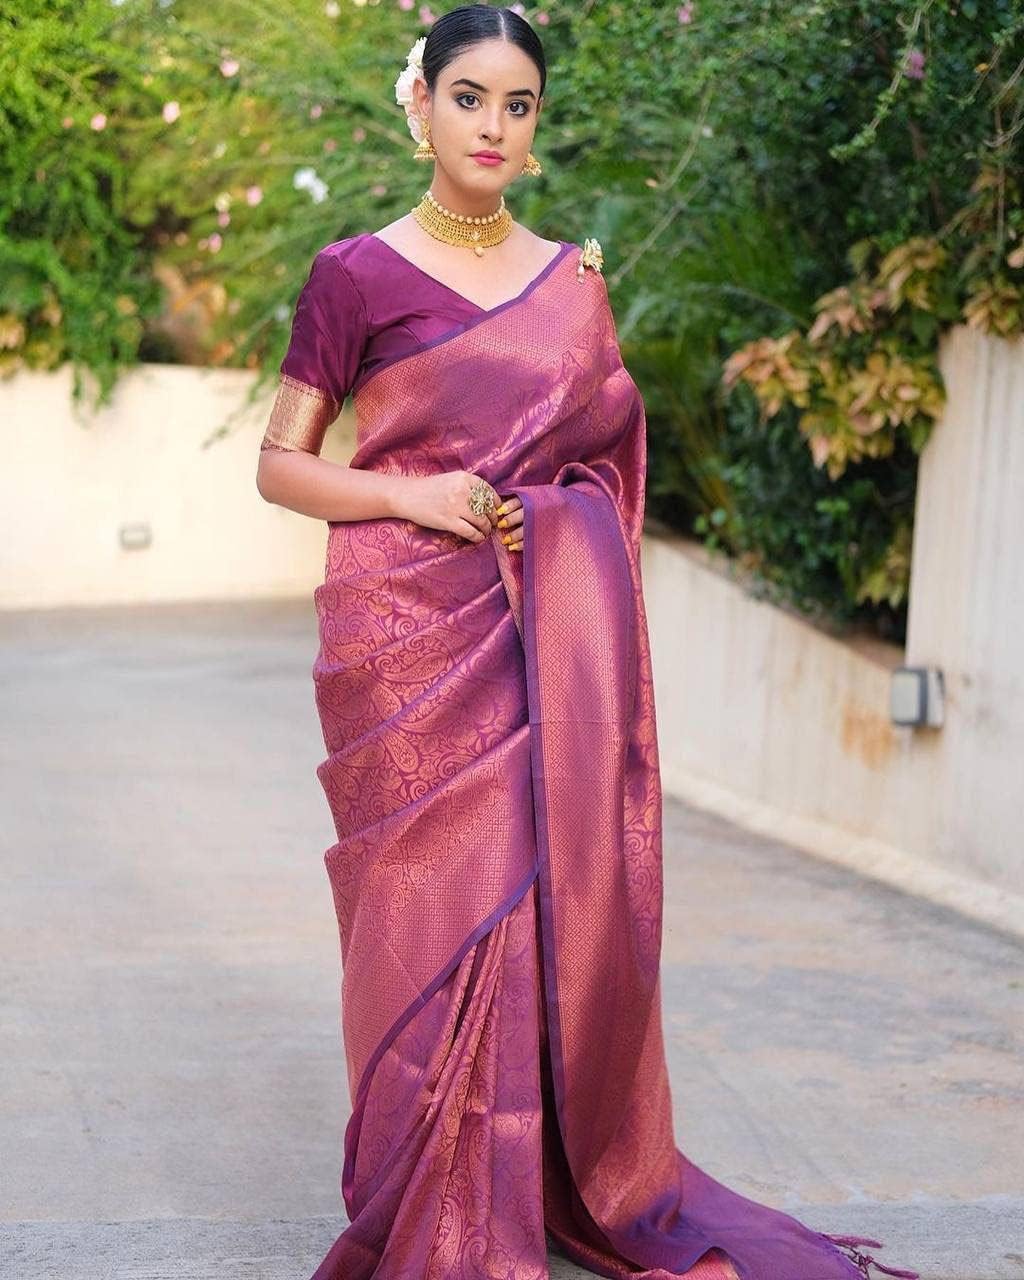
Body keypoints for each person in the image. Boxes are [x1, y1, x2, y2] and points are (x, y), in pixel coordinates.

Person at [255, 7, 920, 1280]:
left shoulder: (572, 283)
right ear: (418, 105)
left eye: (518, 105)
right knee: (429, 911)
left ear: (536, 126)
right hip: (407, 636)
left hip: (541, 632)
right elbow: (282, 465)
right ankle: (429, 1193)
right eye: (468, 98)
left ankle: (525, 1182)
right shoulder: (355, 274)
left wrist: (550, 526)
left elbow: (606, 469)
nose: (492, 126)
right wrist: (414, 497)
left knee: (532, 906)